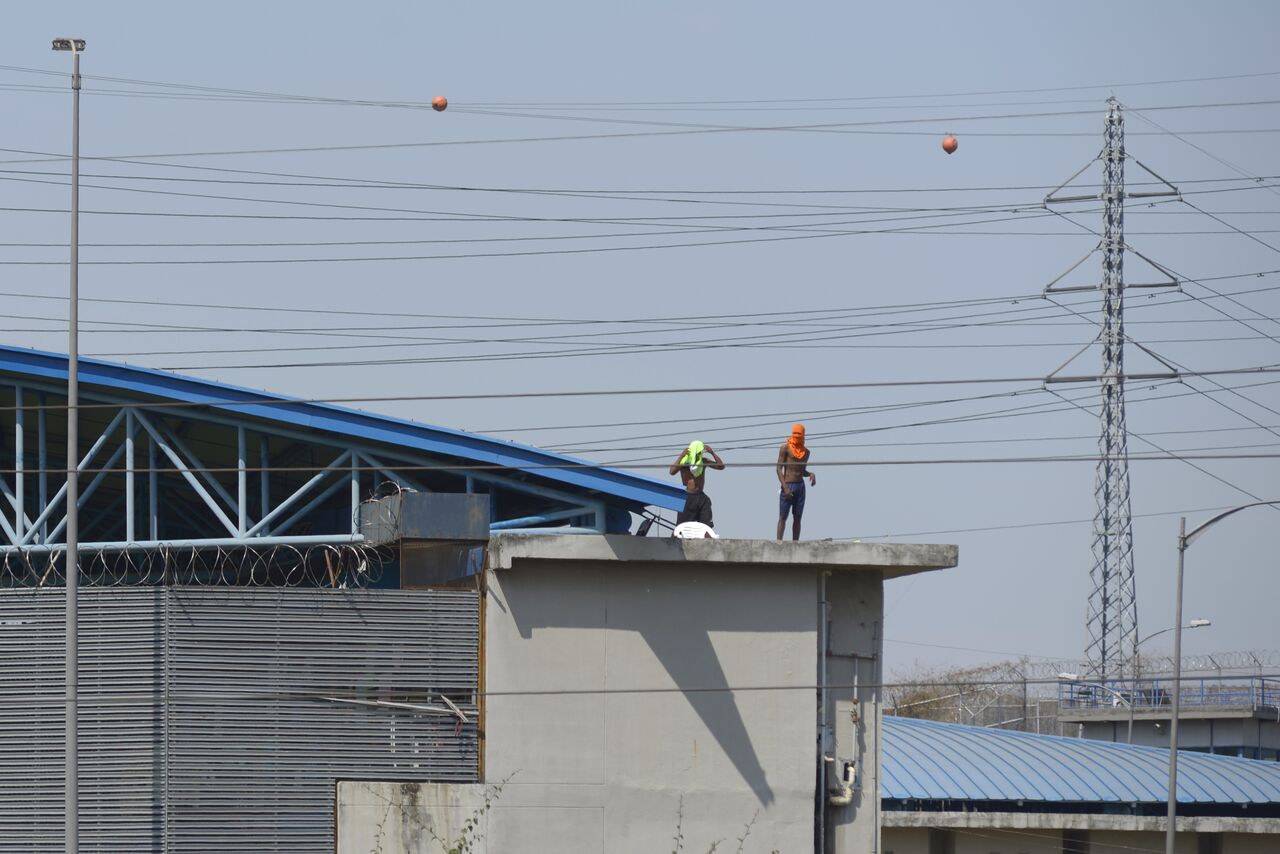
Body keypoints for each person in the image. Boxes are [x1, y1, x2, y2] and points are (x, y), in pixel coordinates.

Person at [669, 440, 725, 528]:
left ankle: (706, 540)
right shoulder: (684, 462)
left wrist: (712, 452)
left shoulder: (703, 461)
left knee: (706, 527)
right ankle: (675, 540)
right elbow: (672, 471)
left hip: (700, 496)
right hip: (687, 497)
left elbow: (721, 466)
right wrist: (681, 456)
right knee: (681, 527)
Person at [776, 423, 815, 540]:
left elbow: (801, 470)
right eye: (795, 433)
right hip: (788, 484)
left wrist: (810, 474)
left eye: (799, 433)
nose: (797, 435)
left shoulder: (806, 452)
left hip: (800, 486)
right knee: (783, 516)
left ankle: (795, 543)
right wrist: (785, 487)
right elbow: (778, 468)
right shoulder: (785, 448)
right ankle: (778, 542)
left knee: (797, 517)